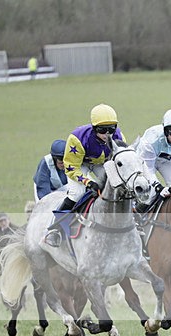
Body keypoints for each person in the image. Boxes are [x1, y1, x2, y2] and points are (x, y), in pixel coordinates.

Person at [45, 103, 125, 247]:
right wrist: (88, 182)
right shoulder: (77, 138)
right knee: (77, 193)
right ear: (94, 128)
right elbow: (71, 167)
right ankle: (55, 229)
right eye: (102, 130)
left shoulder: (119, 136)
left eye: (111, 129)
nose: (107, 134)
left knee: (118, 186)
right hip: (79, 164)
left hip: (101, 163)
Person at [136, 108, 171, 192]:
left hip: (167, 161)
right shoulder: (152, 140)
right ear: (165, 131)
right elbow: (148, 168)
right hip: (144, 161)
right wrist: (158, 187)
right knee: (148, 190)